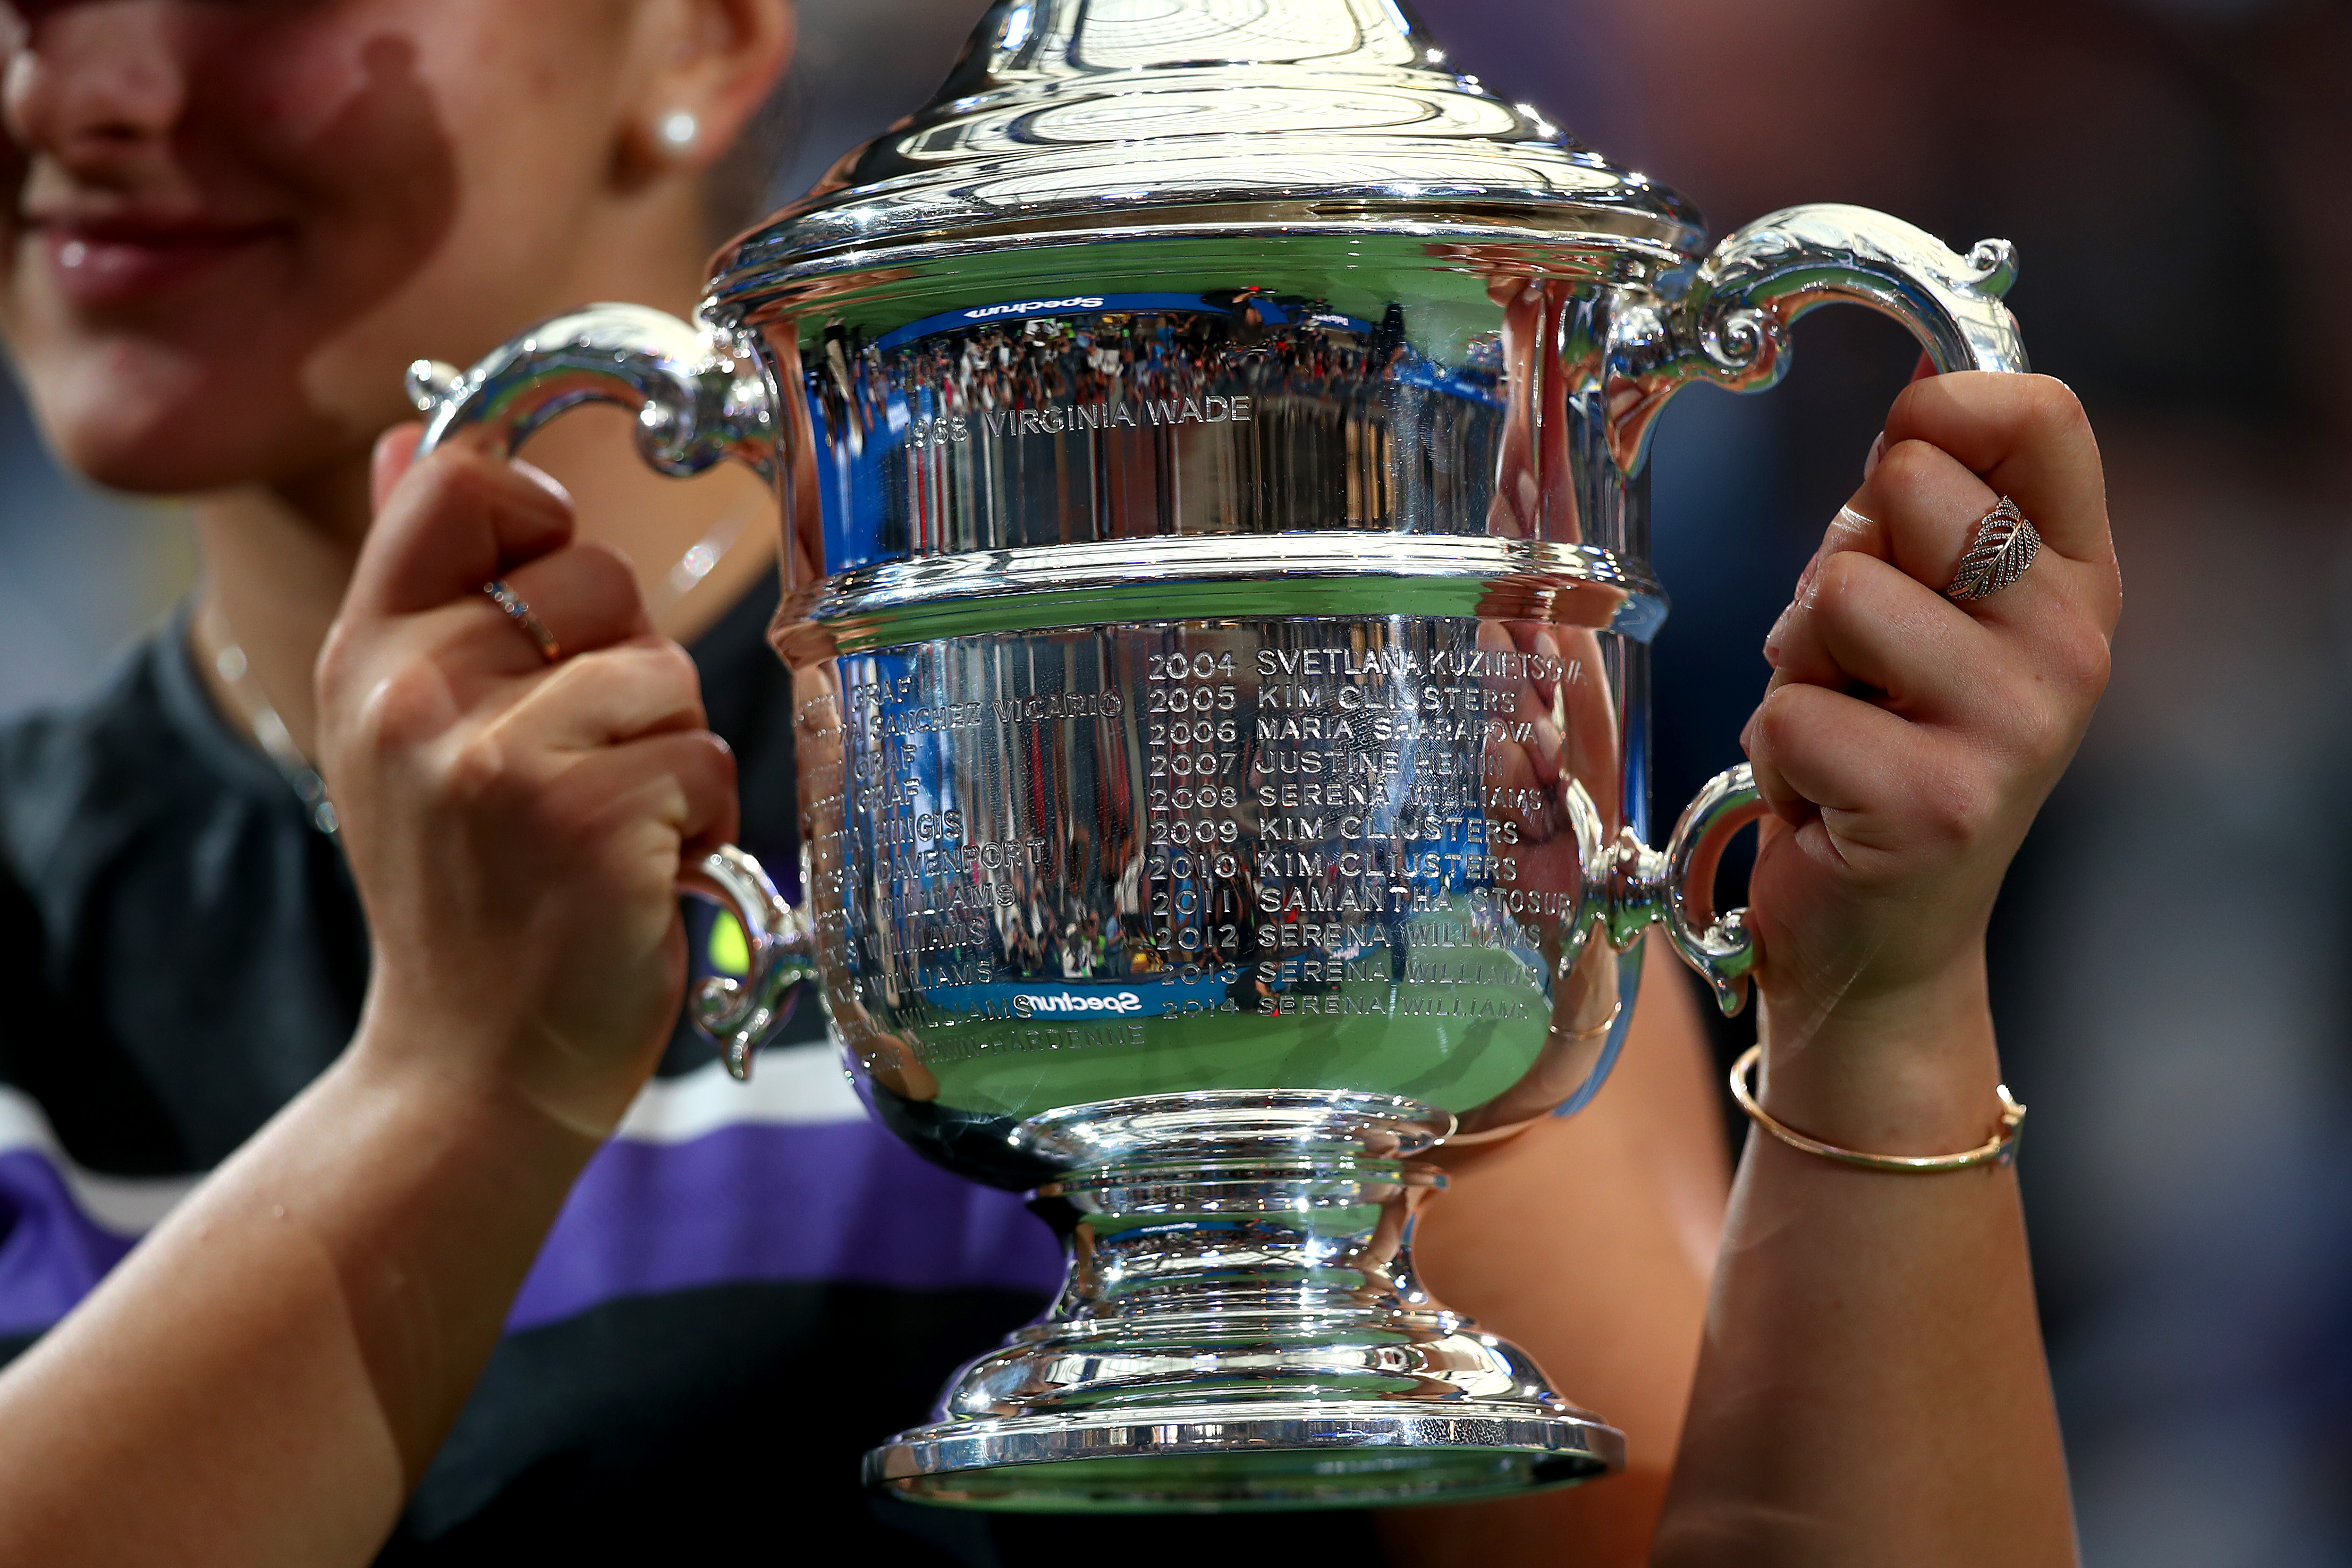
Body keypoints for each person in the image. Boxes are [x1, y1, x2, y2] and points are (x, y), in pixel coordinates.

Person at [0, 1, 2111, 1563]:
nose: (83, 94)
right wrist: (455, 1091)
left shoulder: (1245, 813)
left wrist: (1890, 1017)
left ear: (704, 34)